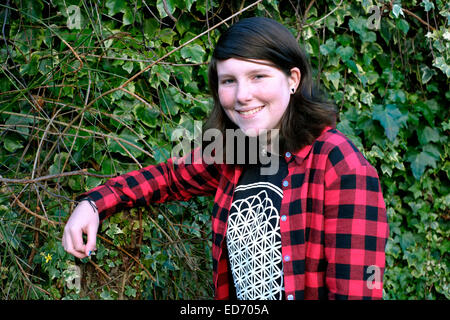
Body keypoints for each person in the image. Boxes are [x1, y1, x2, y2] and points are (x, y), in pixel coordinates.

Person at [62, 17, 389, 300]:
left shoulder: (341, 168)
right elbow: (169, 178)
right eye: (228, 81)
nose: (242, 95)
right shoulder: (236, 152)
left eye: (258, 76)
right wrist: (93, 203)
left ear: (292, 79)